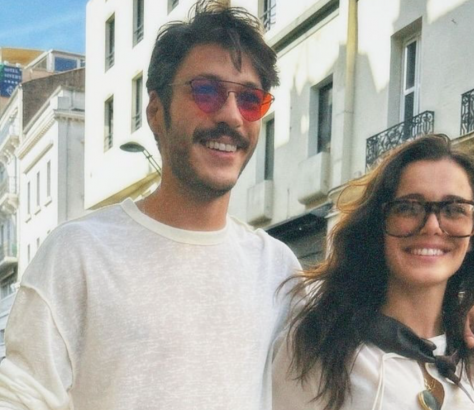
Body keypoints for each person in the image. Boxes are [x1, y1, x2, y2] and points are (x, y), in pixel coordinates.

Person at [0, 2, 300, 409]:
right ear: (156, 112)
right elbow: (22, 397)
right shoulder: (79, 254)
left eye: (250, 99)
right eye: (206, 91)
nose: (232, 116)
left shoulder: (278, 269)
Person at [273, 134, 474, 410]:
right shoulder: (319, 346)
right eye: (408, 208)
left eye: (454, 210)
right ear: (378, 225)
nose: (432, 226)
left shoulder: (466, 349)